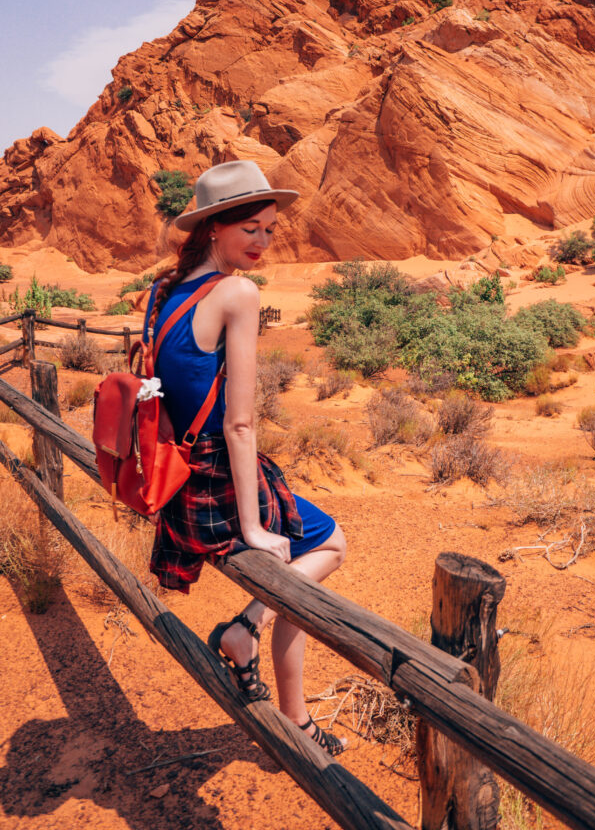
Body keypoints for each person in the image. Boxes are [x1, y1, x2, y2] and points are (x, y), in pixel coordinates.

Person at [143, 160, 347, 756]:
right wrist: (254, 526)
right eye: (250, 228)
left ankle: (287, 701)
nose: (262, 242)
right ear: (213, 228)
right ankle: (252, 641)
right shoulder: (238, 292)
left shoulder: (163, 290)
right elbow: (238, 422)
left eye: (269, 229)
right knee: (329, 544)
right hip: (216, 492)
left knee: (302, 552)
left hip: (177, 489)